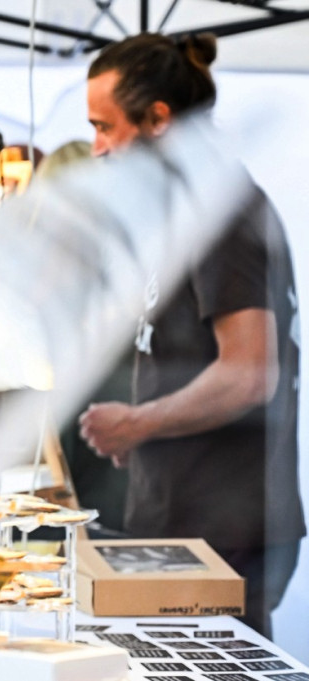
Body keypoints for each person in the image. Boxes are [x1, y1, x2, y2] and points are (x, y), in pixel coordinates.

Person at [78, 32, 305, 638]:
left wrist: (140, 421)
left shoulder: (223, 213)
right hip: (182, 520)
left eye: (104, 127)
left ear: (157, 120)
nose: (96, 148)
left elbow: (249, 372)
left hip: (225, 529)